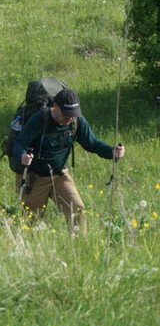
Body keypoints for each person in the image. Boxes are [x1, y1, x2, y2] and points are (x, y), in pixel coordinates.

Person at [14, 86, 125, 230]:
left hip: (59, 175)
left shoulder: (76, 121)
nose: (70, 118)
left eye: (73, 114)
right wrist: (23, 155)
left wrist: (112, 152)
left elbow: (92, 144)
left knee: (77, 211)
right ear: (55, 106)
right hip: (35, 178)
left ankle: (79, 248)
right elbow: (19, 143)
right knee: (31, 224)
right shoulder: (40, 119)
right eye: (66, 114)